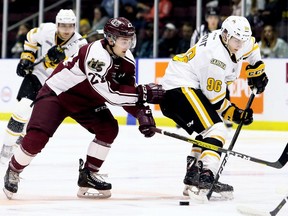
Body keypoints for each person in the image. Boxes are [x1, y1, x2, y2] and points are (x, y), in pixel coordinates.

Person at [2, 17, 164, 200]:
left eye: (130, 39)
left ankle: (88, 175)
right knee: (37, 137)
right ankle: (14, 169)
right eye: (123, 40)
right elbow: (110, 93)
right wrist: (143, 94)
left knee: (108, 128)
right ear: (110, 39)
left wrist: (143, 114)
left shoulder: (126, 59)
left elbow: (127, 91)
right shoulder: (96, 55)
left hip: (86, 100)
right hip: (58, 94)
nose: (128, 44)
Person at [159, 16, 268, 199]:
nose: (240, 45)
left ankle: (193, 176)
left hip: (186, 86)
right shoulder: (215, 57)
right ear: (225, 36)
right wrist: (236, 113)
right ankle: (207, 176)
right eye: (236, 41)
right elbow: (216, 102)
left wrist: (256, 69)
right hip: (178, 90)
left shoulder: (236, 38)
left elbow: (252, 47)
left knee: (206, 132)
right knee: (216, 129)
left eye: (242, 40)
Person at [0, 9, 88, 164]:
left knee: (36, 120)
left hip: (56, 85)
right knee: (22, 109)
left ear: (74, 25)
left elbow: (78, 73)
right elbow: (30, 38)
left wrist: (62, 61)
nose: (66, 30)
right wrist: (27, 58)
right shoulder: (46, 30)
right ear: (57, 24)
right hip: (37, 76)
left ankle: (21, 141)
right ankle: (6, 148)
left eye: (70, 26)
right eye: (63, 25)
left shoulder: (81, 45)